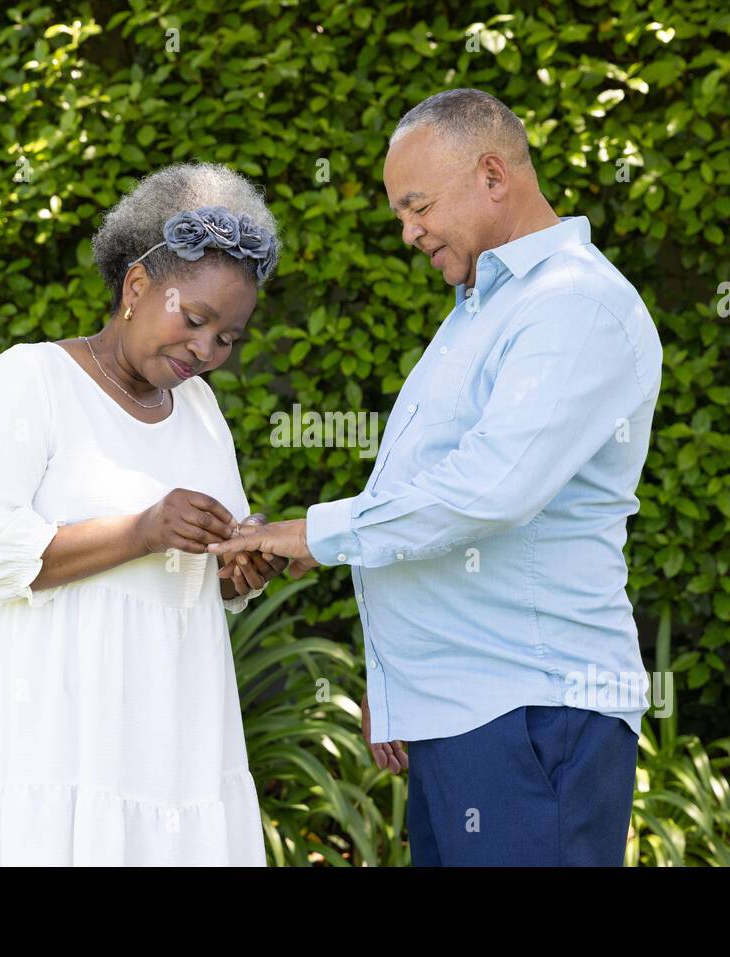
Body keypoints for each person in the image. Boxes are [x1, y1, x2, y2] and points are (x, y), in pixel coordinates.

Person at [210, 89, 664, 866]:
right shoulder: (479, 311)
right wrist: (400, 692)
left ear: (492, 174)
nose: (408, 231)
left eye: (416, 205)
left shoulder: (575, 303)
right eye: (399, 214)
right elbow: (426, 502)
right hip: (467, 718)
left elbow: (490, 489)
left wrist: (306, 534)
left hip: (532, 716)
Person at [0, 162, 288, 866]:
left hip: (176, 734)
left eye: (229, 338)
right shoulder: (32, 378)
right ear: (136, 286)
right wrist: (142, 530)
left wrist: (242, 570)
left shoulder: (202, 414)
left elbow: (204, 572)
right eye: (193, 320)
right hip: (58, 733)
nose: (206, 350)